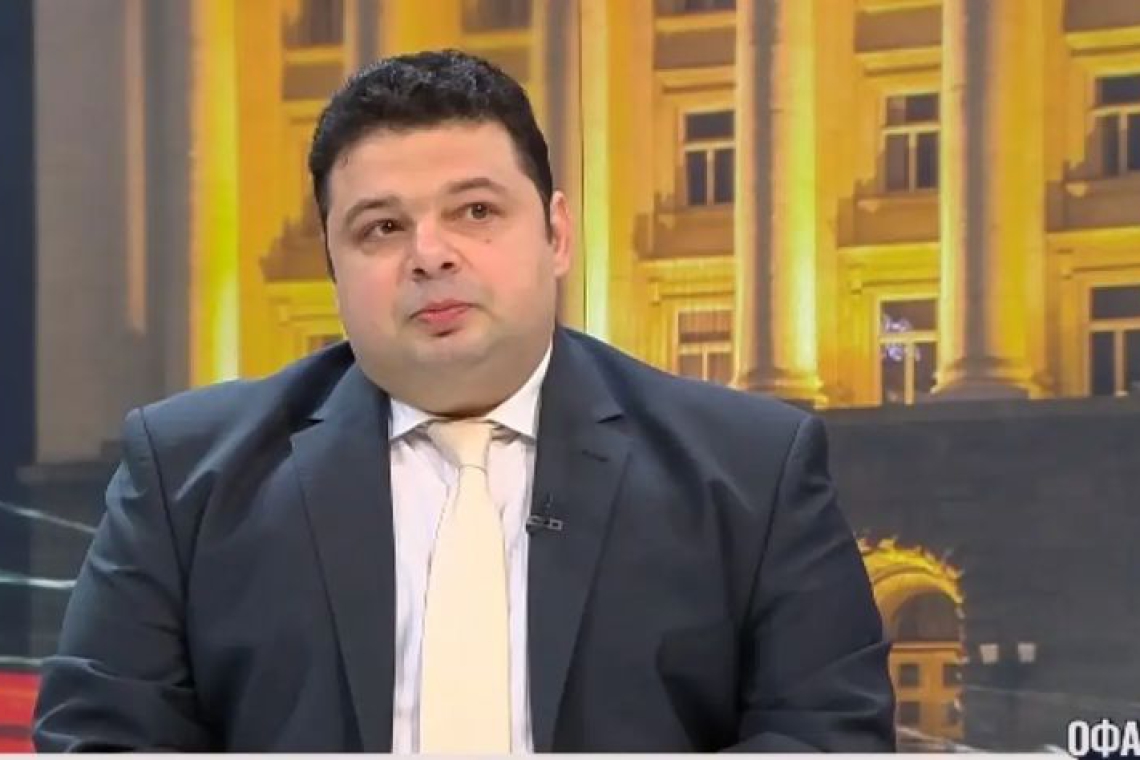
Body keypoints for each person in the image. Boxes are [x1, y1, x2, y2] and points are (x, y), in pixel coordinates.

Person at [33, 50, 895, 753]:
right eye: (381, 227)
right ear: (333, 267)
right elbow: (101, 740)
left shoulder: (750, 471)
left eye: (476, 211)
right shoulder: (187, 476)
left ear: (556, 234)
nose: (430, 255)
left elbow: (828, 736)